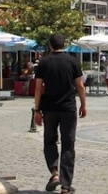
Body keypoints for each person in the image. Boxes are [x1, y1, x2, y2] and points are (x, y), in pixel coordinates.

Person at [33, 34, 87, 194]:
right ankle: (65, 186)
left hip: (49, 108)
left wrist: (36, 110)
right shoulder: (72, 61)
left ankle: (55, 173)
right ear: (64, 44)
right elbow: (80, 86)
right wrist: (83, 105)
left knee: (49, 141)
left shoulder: (43, 62)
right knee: (68, 145)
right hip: (68, 108)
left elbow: (37, 88)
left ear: (50, 45)